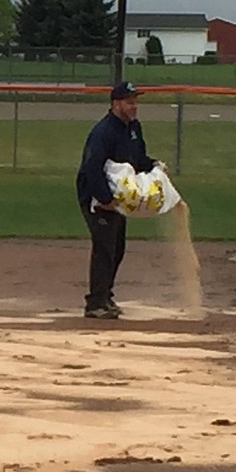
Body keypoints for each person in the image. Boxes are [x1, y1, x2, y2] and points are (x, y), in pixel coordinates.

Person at [75, 80, 159, 320]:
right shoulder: (103, 132)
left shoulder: (133, 128)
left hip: (119, 196)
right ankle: (95, 303)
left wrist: (153, 165)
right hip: (96, 195)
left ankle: (105, 296)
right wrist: (103, 199)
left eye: (135, 102)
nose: (134, 106)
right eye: (129, 102)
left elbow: (137, 158)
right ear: (115, 104)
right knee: (104, 247)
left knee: (117, 247)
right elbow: (92, 168)